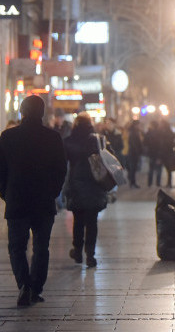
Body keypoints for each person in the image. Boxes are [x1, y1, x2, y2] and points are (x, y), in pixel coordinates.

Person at [0, 95, 67, 306]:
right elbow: (61, 170)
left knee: (16, 247)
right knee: (41, 247)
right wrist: (53, 192)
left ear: (21, 111)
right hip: (43, 201)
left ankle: (24, 285)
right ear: (42, 113)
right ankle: (35, 287)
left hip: (17, 200)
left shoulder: (7, 137)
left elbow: (1, 171)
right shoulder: (53, 138)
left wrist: (6, 193)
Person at [62, 113, 110, 268]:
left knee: (78, 220)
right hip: (95, 184)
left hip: (76, 185)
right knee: (92, 221)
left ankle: (77, 250)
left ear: (75, 124)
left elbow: (62, 163)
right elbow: (111, 159)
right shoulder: (98, 140)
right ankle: (90, 254)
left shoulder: (69, 141)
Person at [125, 120, 143, 188]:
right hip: (133, 153)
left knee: (133, 168)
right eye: (138, 125)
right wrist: (137, 151)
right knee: (133, 168)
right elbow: (133, 143)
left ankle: (132, 182)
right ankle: (132, 182)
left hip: (133, 152)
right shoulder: (133, 132)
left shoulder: (134, 131)